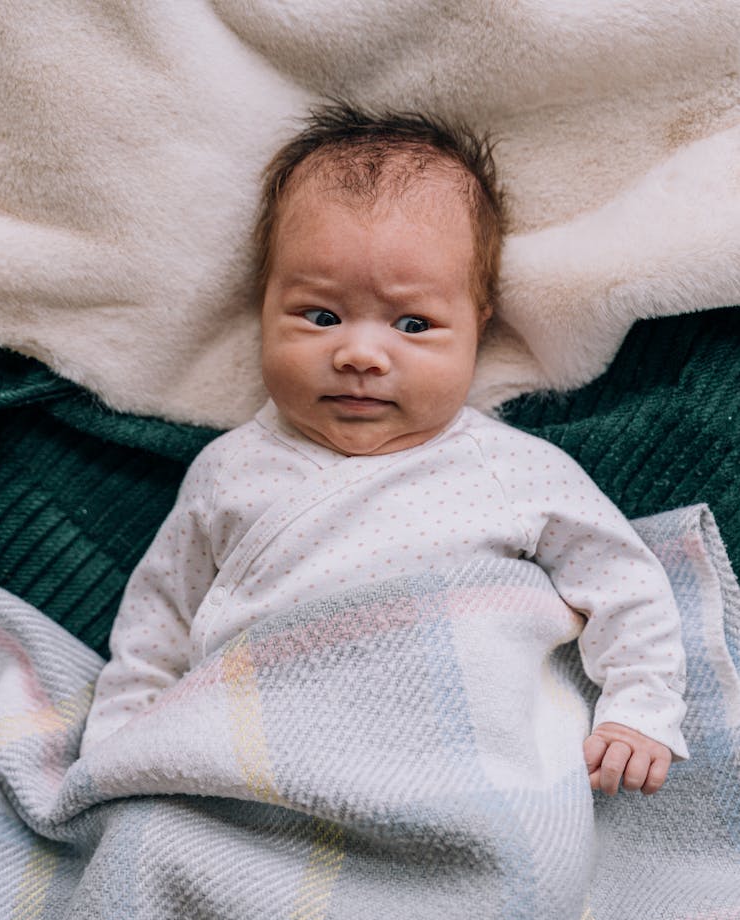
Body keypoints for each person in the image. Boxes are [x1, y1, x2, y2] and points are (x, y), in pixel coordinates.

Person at [81, 103, 687, 795]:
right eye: (321, 315)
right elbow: (156, 630)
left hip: (460, 766)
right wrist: (115, 757)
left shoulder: (516, 470)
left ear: (477, 328)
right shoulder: (228, 471)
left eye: (413, 322)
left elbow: (626, 586)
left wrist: (639, 711)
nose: (361, 353)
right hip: (255, 763)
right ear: (263, 305)